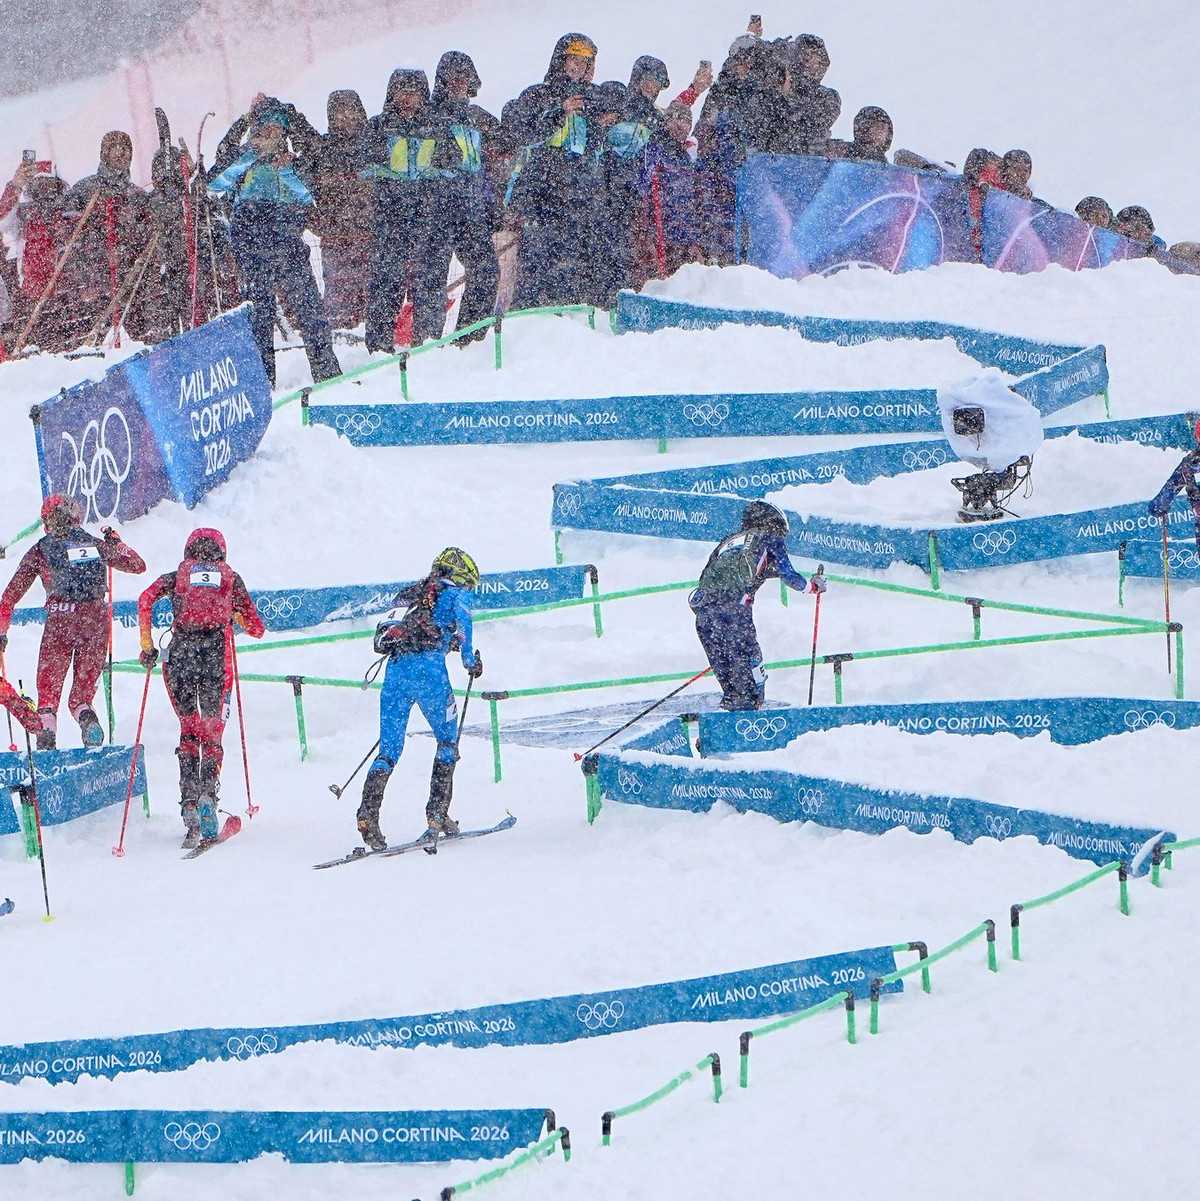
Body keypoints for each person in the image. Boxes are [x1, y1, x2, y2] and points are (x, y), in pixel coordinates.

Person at [137, 529, 264, 849]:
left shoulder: (176, 576)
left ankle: (189, 806)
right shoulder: (230, 578)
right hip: (215, 663)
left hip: (179, 660)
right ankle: (208, 794)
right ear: (222, 551)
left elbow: (144, 599)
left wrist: (147, 644)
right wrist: (233, 615)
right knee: (212, 734)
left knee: (189, 731)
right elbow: (257, 628)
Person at [208, 97, 342, 387]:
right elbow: (213, 184)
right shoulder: (244, 158)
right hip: (252, 248)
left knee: (310, 311)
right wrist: (244, 133)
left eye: (275, 131)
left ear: (284, 134)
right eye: (262, 130)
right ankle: (262, 384)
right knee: (259, 317)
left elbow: (308, 197)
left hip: (288, 245)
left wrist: (285, 169)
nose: (268, 137)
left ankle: (328, 375)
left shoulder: (294, 162)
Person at [358, 548, 483, 851]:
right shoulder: (455, 595)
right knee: (447, 741)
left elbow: (408, 631)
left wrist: (444, 641)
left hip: (395, 672)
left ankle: (367, 814)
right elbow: (464, 626)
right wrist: (469, 661)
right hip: (430, 674)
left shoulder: (411, 593)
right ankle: (436, 814)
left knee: (389, 749)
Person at [0, 494, 145, 750]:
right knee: (79, 697)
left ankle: (47, 736)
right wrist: (118, 544)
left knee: (48, 694)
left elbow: (9, 596)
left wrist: (2, 632)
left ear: (47, 521)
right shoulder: (96, 544)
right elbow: (137, 565)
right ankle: (87, 719)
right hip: (96, 619)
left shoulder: (41, 549)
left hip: (61, 618)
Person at [688, 501, 825, 711]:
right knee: (749, 666)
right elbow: (788, 575)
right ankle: (749, 713)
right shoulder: (770, 536)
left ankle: (725, 720)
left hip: (705, 612)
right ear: (775, 523)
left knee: (727, 672)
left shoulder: (730, 540)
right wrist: (813, 586)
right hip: (735, 611)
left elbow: (714, 574)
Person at [361, 68, 461, 351]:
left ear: (423, 95)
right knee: (386, 281)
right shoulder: (379, 126)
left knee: (430, 281)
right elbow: (360, 162)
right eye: (402, 91)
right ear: (392, 93)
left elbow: (454, 160)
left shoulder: (437, 126)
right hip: (391, 216)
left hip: (429, 216)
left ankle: (428, 343)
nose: (407, 98)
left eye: (414, 92)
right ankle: (379, 347)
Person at [503, 33, 601, 308]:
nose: (578, 67)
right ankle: (527, 320)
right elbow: (524, 136)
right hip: (540, 194)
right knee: (536, 261)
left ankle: (564, 321)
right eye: (574, 59)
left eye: (585, 62)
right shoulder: (538, 94)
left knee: (569, 264)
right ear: (561, 60)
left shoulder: (588, 102)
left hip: (575, 195)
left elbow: (591, 150)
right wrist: (560, 112)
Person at [430, 51, 511, 340]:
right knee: (432, 281)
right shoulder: (429, 116)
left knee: (487, 272)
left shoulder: (476, 119)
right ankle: (428, 342)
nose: (459, 85)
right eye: (453, 79)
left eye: (464, 79)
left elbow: (483, 165)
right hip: (437, 213)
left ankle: (470, 338)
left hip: (472, 210)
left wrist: (491, 204)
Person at [310, 89, 375, 329]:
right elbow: (298, 188)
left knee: (376, 298)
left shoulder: (373, 147)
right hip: (336, 242)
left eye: (351, 110)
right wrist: (317, 222)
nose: (346, 117)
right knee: (339, 304)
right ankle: (346, 350)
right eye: (339, 112)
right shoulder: (322, 151)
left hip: (371, 238)